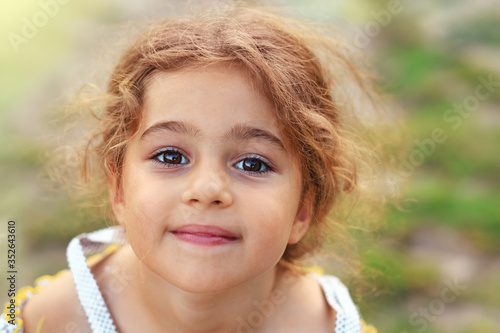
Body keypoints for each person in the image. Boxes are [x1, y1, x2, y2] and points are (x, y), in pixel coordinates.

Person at [1, 4, 387, 332]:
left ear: (303, 208)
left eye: (252, 163)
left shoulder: (330, 324)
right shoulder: (50, 320)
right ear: (118, 188)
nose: (207, 188)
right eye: (171, 157)